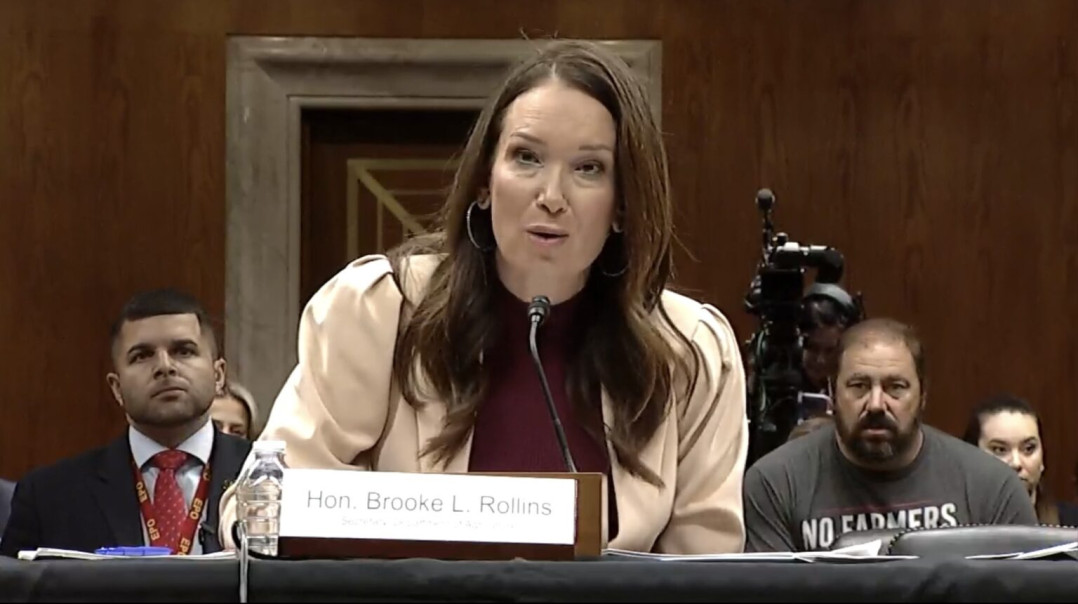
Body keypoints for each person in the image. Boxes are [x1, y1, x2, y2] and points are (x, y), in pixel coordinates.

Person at [218, 40, 749, 555]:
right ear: (484, 183)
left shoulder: (691, 352)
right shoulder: (381, 311)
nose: (551, 196)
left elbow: (705, 570)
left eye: (588, 168)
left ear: (624, 205)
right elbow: (258, 513)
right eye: (527, 158)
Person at [742, 318, 1037, 552]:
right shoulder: (777, 483)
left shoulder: (991, 487)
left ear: (922, 395)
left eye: (895, 387)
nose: (876, 404)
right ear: (832, 393)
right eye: (859, 386)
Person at [0, 289, 251, 557]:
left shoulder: (272, 478)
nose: (165, 367)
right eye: (142, 355)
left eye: (183, 351)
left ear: (218, 375)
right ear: (117, 388)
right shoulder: (49, 496)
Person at [963, 394, 1078, 527]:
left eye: (1029, 448)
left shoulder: (1072, 526)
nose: (1016, 463)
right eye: (1000, 450)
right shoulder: (955, 527)